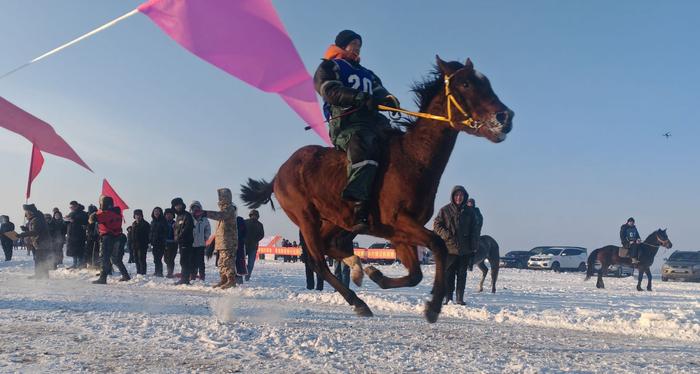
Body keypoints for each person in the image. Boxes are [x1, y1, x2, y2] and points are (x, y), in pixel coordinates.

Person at [313, 29, 400, 233]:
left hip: (374, 121)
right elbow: (329, 90)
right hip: (347, 122)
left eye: (359, 44)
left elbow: (380, 92)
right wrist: (358, 97)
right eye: (353, 43)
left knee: (398, 143)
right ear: (342, 45)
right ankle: (358, 206)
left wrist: (390, 100)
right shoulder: (330, 66)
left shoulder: (367, 73)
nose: (358, 47)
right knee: (364, 143)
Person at [433, 186, 480, 305]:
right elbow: (437, 225)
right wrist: (446, 235)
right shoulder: (445, 210)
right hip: (449, 248)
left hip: (465, 249)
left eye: (461, 195)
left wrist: (474, 244)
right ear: (453, 197)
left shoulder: (470, 212)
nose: (459, 197)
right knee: (449, 274)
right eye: (456, 195)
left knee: (462, 274)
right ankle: (448, 297)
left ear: (464, 197)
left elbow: (475, 229)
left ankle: (460, 298)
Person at [202, 188, 238, 289]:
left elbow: (220, 216)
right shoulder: (224, 209)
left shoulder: (230, 209)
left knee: (228, 261)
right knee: (221, 262)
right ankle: (224, 279)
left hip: (229, 242)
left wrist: (205, 213)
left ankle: (231, 280)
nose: (220, 199)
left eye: (221, 196)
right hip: (222, 242)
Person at [92, 196, 130, 284]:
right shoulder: (117, 212)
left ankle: (103, 278)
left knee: (104, 258)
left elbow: (92, 219)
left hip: (107, 238)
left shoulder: (105, 214)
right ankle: (125, 275)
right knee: (116, 259)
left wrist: (94, 213)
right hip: (117, 237)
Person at [17, 204, 52, 279]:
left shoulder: (36, 220)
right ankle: (41, 274)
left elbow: (35, 232)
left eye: (26, 212)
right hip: (40, 242)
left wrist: (22, 234)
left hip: (41, 242)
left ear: (30, 212)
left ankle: (40, 275)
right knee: (40, 259)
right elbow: (36, 230)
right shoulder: (36, 218)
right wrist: (26, 229)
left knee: (40, 260)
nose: (25, 214)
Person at [172, 197, 195, 285]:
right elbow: (177, 229)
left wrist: (180, 237)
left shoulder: (187, 215)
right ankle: (184, 278)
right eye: (176, 206)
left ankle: (185, 279)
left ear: (182, 205)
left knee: (185, 261)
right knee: (183, 260)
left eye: (179, 205)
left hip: (186, 241)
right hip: (181, 242)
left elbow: (188, 228)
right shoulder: (178, 216)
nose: (177, 207)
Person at [190, 201, 211, 281]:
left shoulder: (204, 219)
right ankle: (193, 275)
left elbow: (208, 230)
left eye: (197, 208)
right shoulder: (189, 218)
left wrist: (205, 238)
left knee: (201, 262)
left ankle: (202, 276)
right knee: (192, 261)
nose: (195, 209)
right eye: (194, 208)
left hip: (201, 244)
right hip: (191, 244)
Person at [65, 201, 88, 269]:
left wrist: (74, 220)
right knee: (73, 251)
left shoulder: (82, 213)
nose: (71, 208)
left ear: (76, 206)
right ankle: (74, 264)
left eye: (72, 207)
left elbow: (84, 221)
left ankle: (80, 265)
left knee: (79, 251)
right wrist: (66, 220)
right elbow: (69, 222)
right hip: (71, 235)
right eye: (70, 207)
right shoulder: (71, 213)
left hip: (79, 235)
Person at [244, 209, 265, 281]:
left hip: (248, 245)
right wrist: (255, 240)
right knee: (249, 263)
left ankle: (243, 276)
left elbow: (261, 235)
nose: (254, 217)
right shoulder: (259, 224)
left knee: (244, 262)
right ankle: (246, 276)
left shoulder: (245, 222)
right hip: (251, 246)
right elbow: (261, 235)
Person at [149, 207, 168, 277]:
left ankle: (160, 272)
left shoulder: (163, 221)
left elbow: (165, 231)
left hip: (161, 243)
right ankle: (156, 271)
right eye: (155, 211)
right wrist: (150, 239)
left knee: (158, 258)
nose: (156, 213)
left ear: (160, 212)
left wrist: (161, 238)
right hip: (154, 243)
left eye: (158, 211)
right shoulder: (153, 221)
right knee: (155, 258)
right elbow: (151, 232)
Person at [131, 209, 151, 275]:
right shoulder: (133, 224)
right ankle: (138, 272)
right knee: (136, 259)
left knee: (141, 259)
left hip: (142, 245)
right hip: (134, 245)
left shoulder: (145, 224)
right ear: (134, 216)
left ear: (142, 216)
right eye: (136, 215)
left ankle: (143, 272)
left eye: (139, 215)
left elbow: (148, 234)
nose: (138, 216)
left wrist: (147, 242)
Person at [163, 208, 178, 278]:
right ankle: (170, 271)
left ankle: (170, 273)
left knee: (171, 259)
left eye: (170, 214)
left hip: (173, 243)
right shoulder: (163, 223)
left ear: (173, 215)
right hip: (165, 243)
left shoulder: (175, 223)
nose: (168, 216)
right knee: (166, 259)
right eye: (167, 214)